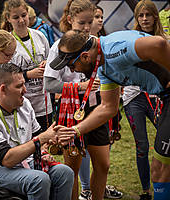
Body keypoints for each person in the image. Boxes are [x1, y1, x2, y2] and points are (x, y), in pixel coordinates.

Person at [50, 29, 170, 200]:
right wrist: (75, 130)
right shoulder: (103, 66)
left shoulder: (113, 51)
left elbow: (158, 43)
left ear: (85, 57)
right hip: (165, 98)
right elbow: (108, 107)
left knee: (161, 171)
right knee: (162, 170)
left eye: (71, 65)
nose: (73, 71)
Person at [0, 62, 75, 199]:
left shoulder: (24, 103)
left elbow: (37, 136)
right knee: (39, 180)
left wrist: (44, 149)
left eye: (24, 84)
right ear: (3, 89)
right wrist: (42, 138)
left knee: (64, 172)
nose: (25, 90)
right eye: (19, 86)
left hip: (23, 161)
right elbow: (6, 159)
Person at [44, 1, 110, 200]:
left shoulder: (97, 43)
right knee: (71, 168)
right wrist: (77, 87)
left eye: (91, 21)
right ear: (70, 19)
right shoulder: (60, 46)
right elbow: (49, 84)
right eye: (82, 23)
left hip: (96, 108)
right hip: (71, 111)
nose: (87, 27)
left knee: (103, 165)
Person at [122, 1, 168, 199]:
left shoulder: (164, 40)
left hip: (160, 98)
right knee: (141, 145)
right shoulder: (130, 39)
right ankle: (145, 191)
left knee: (165, 144)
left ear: (155, 16)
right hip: (134, 98)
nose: (144, 19)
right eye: (140, 15)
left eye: (148, 15)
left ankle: (164, 183)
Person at [78, 5, 122, 200]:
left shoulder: (107, 44)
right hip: (81, 107)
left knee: (103, 154)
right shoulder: (72, 45)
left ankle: (99, 187)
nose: (97, 21)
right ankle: (86, 187)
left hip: (104, 103)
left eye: (99, 17)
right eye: (93, 18)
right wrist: (82, 85)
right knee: (83, 150)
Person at [1, 0, 53, 132]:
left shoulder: (40, 36)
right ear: (8, 18)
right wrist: (28, 75)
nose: (21, 20)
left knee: (45, 146)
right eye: (16, 17)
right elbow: (4, 77)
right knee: (26, 146)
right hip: (21, 104)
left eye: (24, 15)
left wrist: (47, 64)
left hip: (43, 103)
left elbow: (51, 62)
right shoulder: (7, 42)